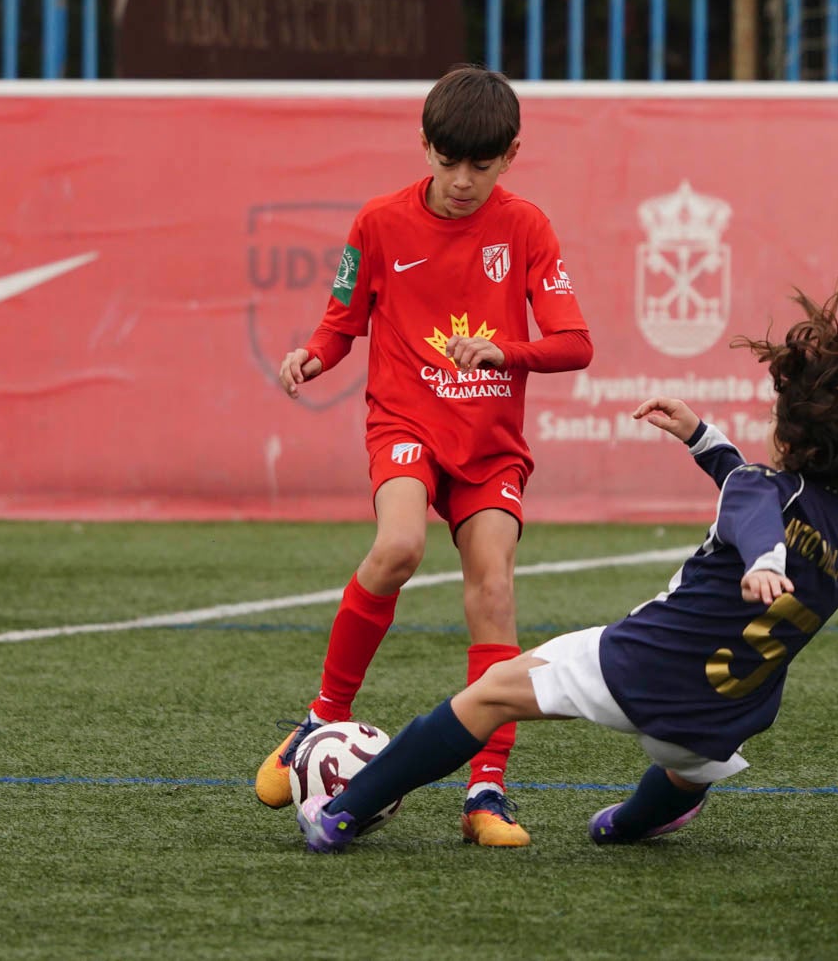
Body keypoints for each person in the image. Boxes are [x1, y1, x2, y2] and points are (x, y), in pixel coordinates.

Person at [291, 283, 838, 854]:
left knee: (488, 695)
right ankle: (630, 823)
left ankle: (342, 813)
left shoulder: (759, 494)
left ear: (796, 435)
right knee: (684, 767)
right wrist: (702, 437)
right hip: (735, 707)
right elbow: (751, 491)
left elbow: (756, 510)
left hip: (644, 664)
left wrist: (764, 560)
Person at [254, 65, 593, 847]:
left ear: (511, 154)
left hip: (489, 445)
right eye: (448, 160)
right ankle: (320, 721)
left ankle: (486, 790)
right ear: (425, 146)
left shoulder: (529, 227)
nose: (462, 180)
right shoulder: (378, 221)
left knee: (493, 587)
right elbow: (344, 319)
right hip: (405, 419)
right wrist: (313, 353)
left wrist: (502, 352)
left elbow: (576, 343)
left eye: (481, 164)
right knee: (398, 545)